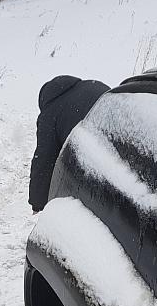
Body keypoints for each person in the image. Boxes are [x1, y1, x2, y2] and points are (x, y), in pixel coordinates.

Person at [28, 75, 110, 213]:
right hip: (121, 119)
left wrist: (38, 204)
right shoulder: (87, 86)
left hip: (97, 141)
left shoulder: (50, 111)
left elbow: (43, 160)